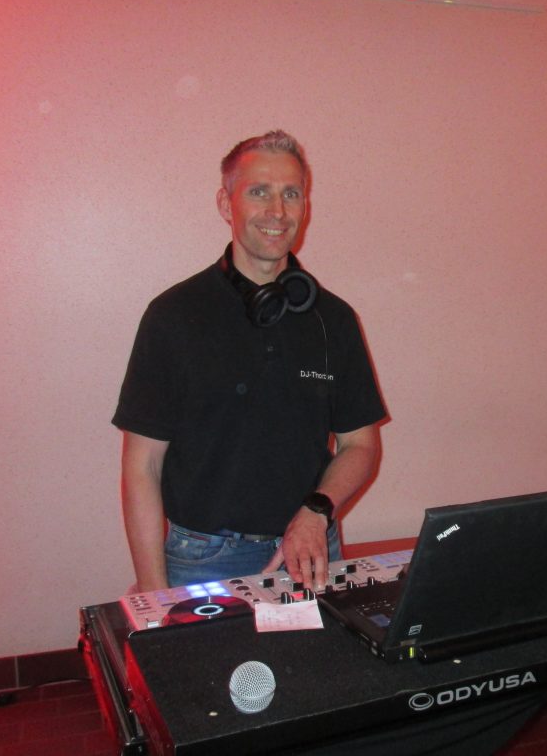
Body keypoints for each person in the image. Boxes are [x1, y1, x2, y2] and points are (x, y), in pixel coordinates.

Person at [112, 130, 385, 594]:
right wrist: (156, 597)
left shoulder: (333, 319)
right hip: (204, 559)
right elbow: (143, 467)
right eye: (259, 192)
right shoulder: (174, 316)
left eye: (291, 194)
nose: (277, 211)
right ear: (226, 204)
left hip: (311, 548)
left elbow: (360, 445)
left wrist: (317, 511)